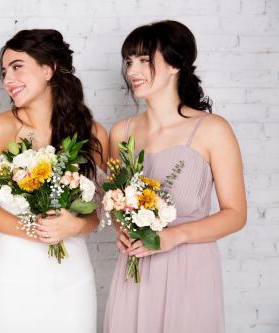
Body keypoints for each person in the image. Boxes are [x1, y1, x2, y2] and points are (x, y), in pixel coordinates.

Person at [103, 20, 247, 333]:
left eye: (144, 60)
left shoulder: (212, 129)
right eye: (129, 61)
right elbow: (116, 201)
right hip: (136, 266)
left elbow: (236, 215)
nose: (132, 71)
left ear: (174, 64)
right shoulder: (122, 132)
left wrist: (174, 236)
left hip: (189, 269)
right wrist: (122, 229)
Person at [0, 29, 108, 333]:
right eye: (4, 72)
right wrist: (35, 231)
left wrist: (76, 225)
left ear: (48, 69)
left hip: (72, 273)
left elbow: (98, 211)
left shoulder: (92, 132)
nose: (7, 80)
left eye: (17, 67)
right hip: (14, 270)